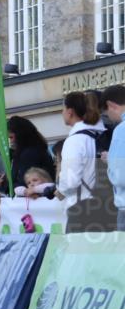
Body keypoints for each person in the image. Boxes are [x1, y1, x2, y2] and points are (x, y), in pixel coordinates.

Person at [57, 91, 106, 231]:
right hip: (101, 206)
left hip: (80, 208)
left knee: (77, 251)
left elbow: (71, 182)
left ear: (70, 112)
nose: (62, 112)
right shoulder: (95, 136)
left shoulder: (74, 141)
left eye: (63, 109)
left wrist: (60, 188)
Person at [5, 116, 56, 185]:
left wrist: (5, 184)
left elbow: (25, 182)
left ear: (20, 135)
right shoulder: (37, 149)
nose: (11, 141)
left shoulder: (29, 154)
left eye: (11, 137)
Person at [102, 86, 125, 230]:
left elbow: (120, 177)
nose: (109, 118)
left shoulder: (121, 130)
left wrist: (111, 160)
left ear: (111, 105)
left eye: (106, 113)